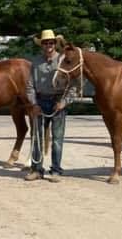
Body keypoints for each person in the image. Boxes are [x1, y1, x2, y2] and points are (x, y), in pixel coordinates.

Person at [24, 29, 77, 183]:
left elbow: (74, 85)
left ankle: (56, 170)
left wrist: (64, 102)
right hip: (40, 102)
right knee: (36, 138)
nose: (48, 45)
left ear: (55, 44)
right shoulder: (35, 63)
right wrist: (34, 103)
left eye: (51, 42)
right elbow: (29, 86)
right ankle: (36, 170)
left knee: (57, 139)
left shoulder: (63, 61)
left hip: (57, 102)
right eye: (45, 42)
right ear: (41, 45)